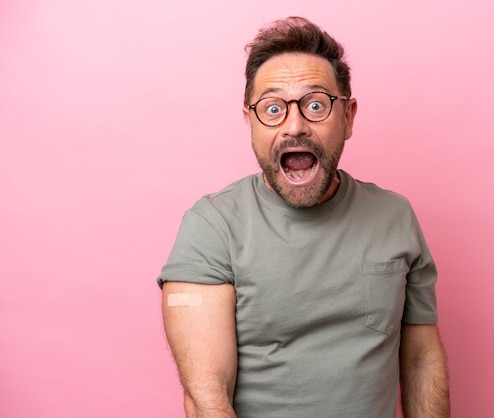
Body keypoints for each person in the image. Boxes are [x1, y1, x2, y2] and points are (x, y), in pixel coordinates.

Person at [158, 16, 449, 418]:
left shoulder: (395, 215)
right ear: (250, 123)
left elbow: (420, 357)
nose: (294, 126)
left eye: (315, 105)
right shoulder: (212, 225)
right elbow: (208, 399)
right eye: (273, 108)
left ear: (347, 117)